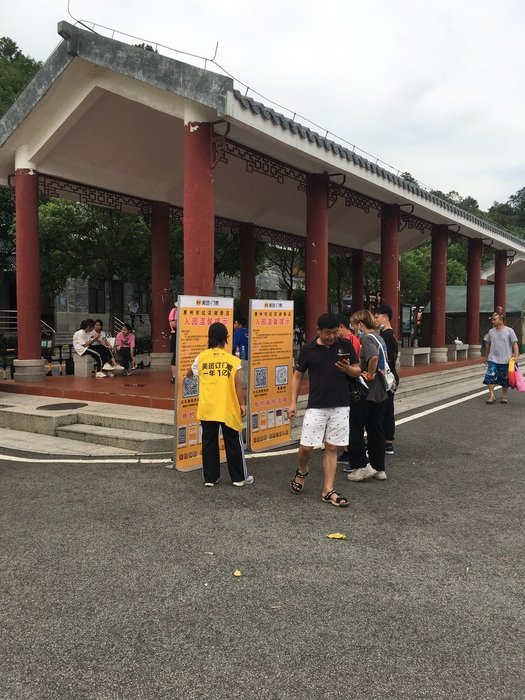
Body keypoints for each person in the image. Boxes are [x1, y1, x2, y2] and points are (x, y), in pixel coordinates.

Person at [288, 312, 361, 507]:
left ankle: (328, 490)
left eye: (335, 332)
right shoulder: (309, 349)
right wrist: (293, 402)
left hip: (340, 404)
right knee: (306, 448)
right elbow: (297, 376)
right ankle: (302, 470)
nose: (332, 337)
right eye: (328, 333)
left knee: (331, 447)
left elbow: (357, 370)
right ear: (318, 331)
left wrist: (348, 369)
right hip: (316, 406)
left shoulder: (344, 345)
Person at [186, 322, 253, 487]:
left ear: (210, 338)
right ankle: (238, 478)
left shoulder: (201, 358)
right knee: (233, 442)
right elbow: (238, 385)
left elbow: (188, 373)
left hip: (208, 407)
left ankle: (210, 478)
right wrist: (242, 405)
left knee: (209, 442)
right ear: (226, 339)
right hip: (227, 408)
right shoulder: (232, 360)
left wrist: (191, 375)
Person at [347, 309, 390, 481]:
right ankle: (379, 467)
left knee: (355, 428)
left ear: (359, 324)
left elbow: (373, 357)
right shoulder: (379, 337)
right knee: (376, 429)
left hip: (367, 390)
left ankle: (361, 466)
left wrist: (369, 374)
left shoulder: (366, 338)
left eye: (354, 324)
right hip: (380, 390)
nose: (353, 327)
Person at [335, 314, 361, 466]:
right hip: (349, 381)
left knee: (351, 423)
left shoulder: (349, 341)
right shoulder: (354, 339)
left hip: (349, 383)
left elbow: (355, 363)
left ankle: (348, 452)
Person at [374, 305, 399, 455]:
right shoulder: (389, 334)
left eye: (377, 316)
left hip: (387, 377)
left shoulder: (386, 337)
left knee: (384, 409)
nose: (375, 320)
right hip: (391, 376)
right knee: (387, 408)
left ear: (386, 317)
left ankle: (387, 442)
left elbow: (385, 361)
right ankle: (387, 441)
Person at [483, 312, 519, 404]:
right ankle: (491, 396)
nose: (493, 321)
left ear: (501, 320)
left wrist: (516, 356)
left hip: (505, 359)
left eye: (495, 319)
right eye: (492, 319)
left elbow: (515, 344)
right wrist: (486, 356)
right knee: (490, 376)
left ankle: (504, 395)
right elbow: (488, 344)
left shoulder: (509, 331)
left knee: (504, 379)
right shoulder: (491, 331)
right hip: (493, 359)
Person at [169, 301, 178, 384]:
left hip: (184, 333)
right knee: (175, 355)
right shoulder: (174, 311)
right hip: (176, 334)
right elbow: (173, 324)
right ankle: (174, 377)